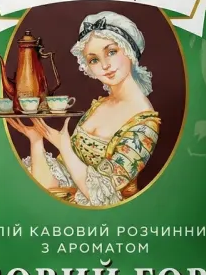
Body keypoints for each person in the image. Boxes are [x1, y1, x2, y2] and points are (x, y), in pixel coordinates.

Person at [8, 11, 160, 206]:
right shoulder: (99, 105)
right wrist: (37, 140)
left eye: (111, 52)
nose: (105, 65)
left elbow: (101, 197)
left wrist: (64, 146)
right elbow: (57, 183)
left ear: (129, 50)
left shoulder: (145, 123)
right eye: (94, 60)